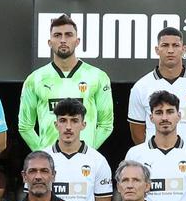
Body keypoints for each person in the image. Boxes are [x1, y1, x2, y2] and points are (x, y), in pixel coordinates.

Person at [20, 15, 117, 151]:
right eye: (58, 35)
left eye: (68, 35)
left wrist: (88, 151)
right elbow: (25, 126)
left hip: (85, 163)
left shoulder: (98, 77)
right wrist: (43, 154)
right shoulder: (35, 79)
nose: (63, 40)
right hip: (50, 166)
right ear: (49, 42)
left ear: (77, 41)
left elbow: (106, 124)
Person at [127, 25, 186, 147]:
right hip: (152, 160)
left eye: (175, 45)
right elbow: (137, 132)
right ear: (157, 50)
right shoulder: (141, 87)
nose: (170, 50)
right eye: (165, 45)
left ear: (183, 49)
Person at [124, 90, 186, 201]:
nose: (165, 118)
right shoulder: (135, 155)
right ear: (151, 118)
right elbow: (128, 198)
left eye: (170, 112)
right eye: (159, 112)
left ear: (179, 116)